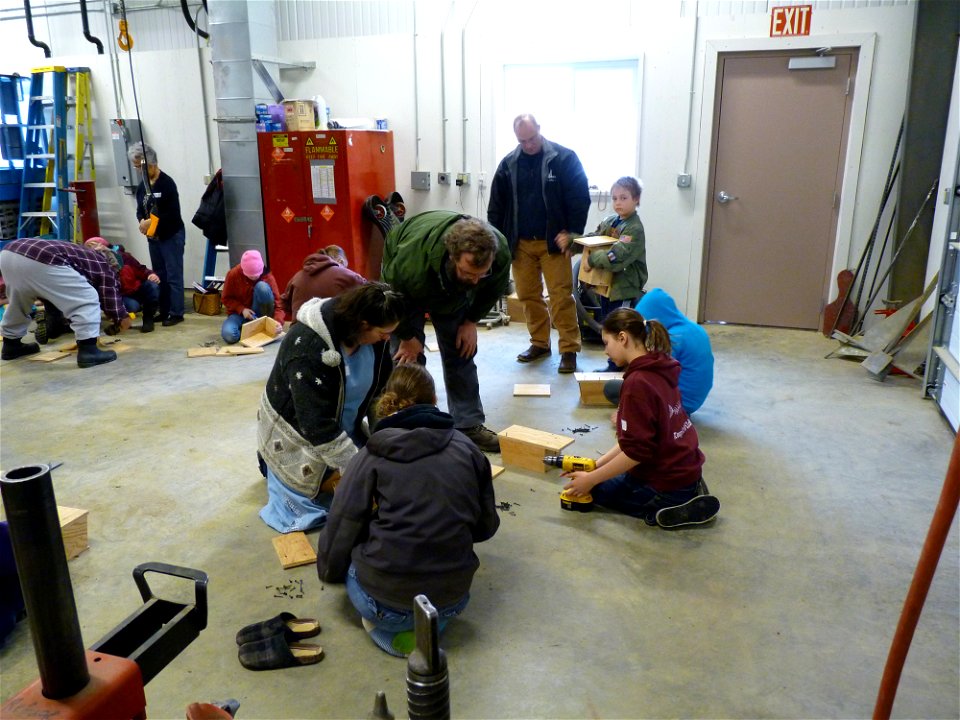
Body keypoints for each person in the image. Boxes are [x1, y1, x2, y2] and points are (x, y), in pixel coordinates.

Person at [316, 363, 500, 657]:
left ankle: (388, 630)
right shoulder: (468, 449)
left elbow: (343, 525)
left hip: (385, 605)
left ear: (390, 403)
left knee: (356, 556)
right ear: (435, 401)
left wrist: (329, 571)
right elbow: (485, 527)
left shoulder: (370, 456)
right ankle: (430, 628)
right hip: (452, 600)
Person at [257, 282, 405, 533]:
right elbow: (315, 423)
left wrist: (388, 438)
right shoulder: (307, 347)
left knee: (386, 479)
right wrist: (354, 468)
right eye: (383, 333)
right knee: (339, 501)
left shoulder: (375, 340)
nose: (387, 339)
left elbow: (380, 394)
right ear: (363, 324)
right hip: (300, 434)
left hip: (342, 427)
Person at [561, 308, 720, 528]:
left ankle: (671, 506)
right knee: (596, 479)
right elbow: (631, 442)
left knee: (589, 491)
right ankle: (688, 492)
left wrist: (591, 480)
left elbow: (636, 452)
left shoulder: (637, 383)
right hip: (685, 469)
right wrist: (595, 467)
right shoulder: (661, 365)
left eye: (606, 343)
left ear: (622, 338)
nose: (605, 351)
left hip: (665, 482)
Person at [380, 210, 511, 453]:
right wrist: (408, 337)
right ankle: (411, 424)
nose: (474, 281)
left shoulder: (499, 250)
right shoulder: (411, 263)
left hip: (452, 294)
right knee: (407, 359)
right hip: (405, 292)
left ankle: (468, 424)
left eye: (481, 274)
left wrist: (471, 320)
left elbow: (494, 288)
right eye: (468, 273)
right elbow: (392, 298)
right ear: (452, 256)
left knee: (461, 350)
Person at [487, 113, 590, 374]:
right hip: (520, 243)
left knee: (560, 296)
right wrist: (498, 242)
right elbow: (496, 208)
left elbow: (580, 197)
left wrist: (573, 233)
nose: (529, 144)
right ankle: (540, 343)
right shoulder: (508, 164)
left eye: (532, 138)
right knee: (528, 296)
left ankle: (569, 349)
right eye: (523, 140)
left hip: (553, 244)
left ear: (540, 130)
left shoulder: (564, 158)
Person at [0, 238, 131, 367]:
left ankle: (11, 345)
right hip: (41, 257)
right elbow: (109, 293)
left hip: (9, 253)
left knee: (19, 303)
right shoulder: (105, 265)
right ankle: (89, 351)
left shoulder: (81, 255)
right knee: (86, 298)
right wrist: (121, 317)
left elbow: (54, 293)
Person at [602, 288, 714, 415]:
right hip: (695, 399)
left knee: (612, 388)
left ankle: (666, 415)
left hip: (680, 403)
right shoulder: (694, 328)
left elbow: (652, 380)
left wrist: (625, 413)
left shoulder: (672, 338)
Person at [578, 176, 648, 340]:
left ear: (636, 199)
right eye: (615, 198)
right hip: (607, 285)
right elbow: (595, 237)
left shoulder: (634, 228)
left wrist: (591, 260)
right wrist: (574, 243)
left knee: (620, 330)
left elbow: (617, 256)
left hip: (624, 289)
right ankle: (613, 362)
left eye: (624, 198)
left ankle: (619, 364)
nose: (618, 202)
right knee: (608, 326)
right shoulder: (611, 221)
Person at [129, 141, 186, 327]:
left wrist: (151, 221)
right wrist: (142, 222)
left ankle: (177, 312)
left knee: (173, 275)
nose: (139, 171)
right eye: (136, 167)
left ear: (151, 164)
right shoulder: (142, 187)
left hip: (171, 236)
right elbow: (140, 209)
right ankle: (164, 310)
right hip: (153, 238)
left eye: (140, 166)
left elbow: (171, 213)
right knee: (159, 274)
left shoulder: (167, 184)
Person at [85, 237, 160, 333]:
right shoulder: (92, 266)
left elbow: (140, 268)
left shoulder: (123, 257)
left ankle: (148, 318)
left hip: (135, 288)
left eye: (95, 245)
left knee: (153, 286)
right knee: (132, 306)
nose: (93, 249)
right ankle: (121, 318)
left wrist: (151, 274)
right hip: (121, 295)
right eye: (89, 248)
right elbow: (102, 292)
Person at [281, 246, 366, 324]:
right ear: (341, 261)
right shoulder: (346, 274)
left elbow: (285, 304)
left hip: (297, 335)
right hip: (329, 336)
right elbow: (370, 294)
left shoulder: (297, 276)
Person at [220, 250, 284, 344]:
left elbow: (279, 304)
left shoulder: (267, 277)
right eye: (250, 276)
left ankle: (259, 327)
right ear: (243, 270)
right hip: (239, 314)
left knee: (262, 287)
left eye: (256, 276)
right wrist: (242, 309)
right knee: (229, 335)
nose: (254, 278)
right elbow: (226, 298)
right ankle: (251, 329)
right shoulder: (233, 275)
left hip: (260, 314)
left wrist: (277, 322)